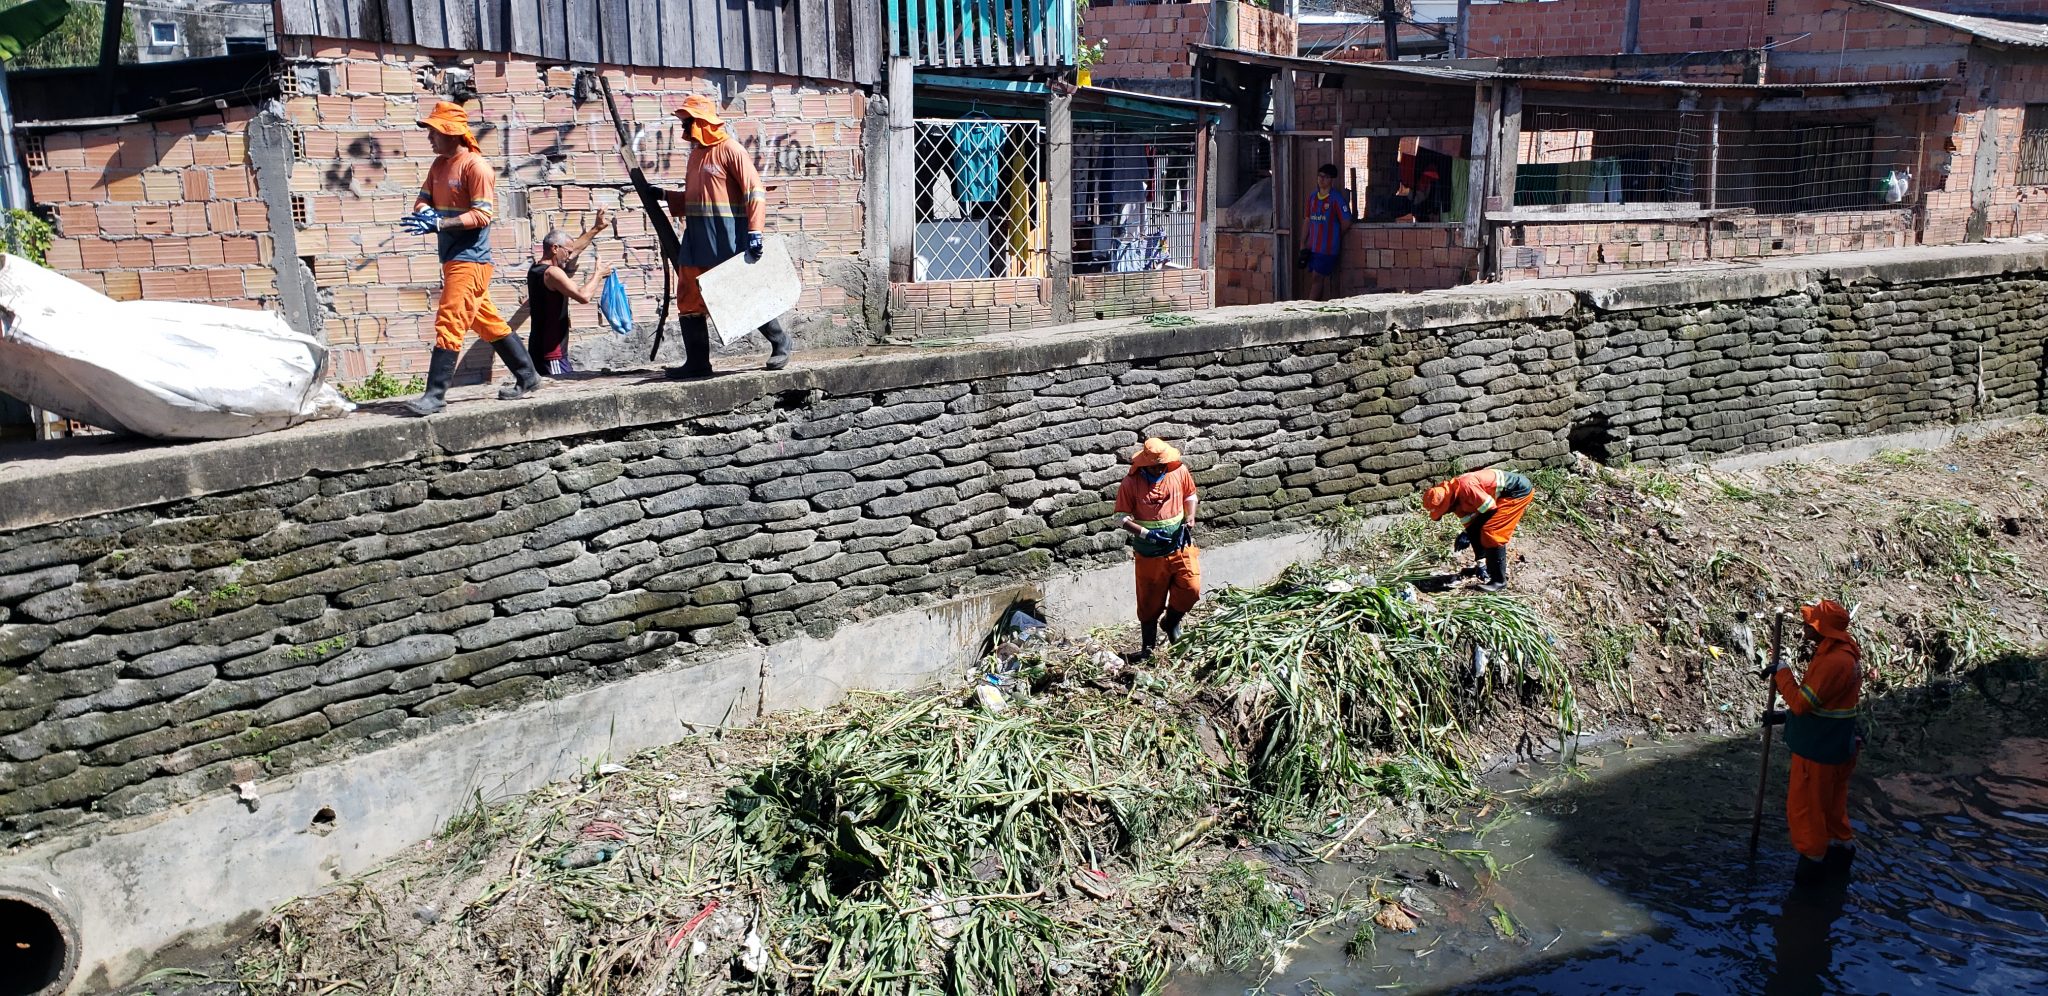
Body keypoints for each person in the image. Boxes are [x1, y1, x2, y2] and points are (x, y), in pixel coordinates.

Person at [397, 100, 541, 416]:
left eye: (434, 131)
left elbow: (482, 215)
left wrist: (440, 223)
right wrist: (425, 213)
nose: (429, 137)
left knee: (450, 319)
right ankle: (528, 376)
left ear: (452, 132)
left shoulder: (476, 167)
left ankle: (435, 395)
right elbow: (422, 199)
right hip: (452, 257)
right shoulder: (438, 166)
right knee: (486, 321)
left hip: (471, 259)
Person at [653, 94, 794, 378]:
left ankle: (781, 342)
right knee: (688, 297)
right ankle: (698, 363)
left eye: (688, 122)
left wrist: (755, 231)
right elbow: (696, 198)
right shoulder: (696, 156)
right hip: (696, 238)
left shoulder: (731, 150)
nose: (684, 129)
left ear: (702, 122)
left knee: (741, 293)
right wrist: (666, 196)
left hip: (726, 237)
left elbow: (755, 191)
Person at [1765, 600, 1862, 886]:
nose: (1805, 628)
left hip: (1818, 752)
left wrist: (1782, 672)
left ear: (1824, 631)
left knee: (1806, 810)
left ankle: (1809, 878)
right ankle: (1837, 868)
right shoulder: (1843, 654)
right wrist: (1781, 718)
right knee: (1832, 810)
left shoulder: (1834, 661)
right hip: (1836, 746)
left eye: (1811, 624)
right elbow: (1827, 706)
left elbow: (1802, 704)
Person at [1114, 438, 1201, 658]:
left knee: (1191, 588)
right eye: (1156, 466)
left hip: (1180, 545)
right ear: (1145, 465)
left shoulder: (1178, 472)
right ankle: (1148, 650)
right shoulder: (1130, 484)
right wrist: (1146, 534)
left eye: (1163, 465)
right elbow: (1121, 518)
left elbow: (1191, 495)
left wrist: (1190, 517)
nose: (1161, 469)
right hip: (1150, 553)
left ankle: (1171, 622)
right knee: (1149, 601)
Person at [525, 209, 611, 377]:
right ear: (555, 248)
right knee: (560, 388)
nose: (570, 256)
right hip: (552, 353)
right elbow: (584, 296)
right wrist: (598, 274)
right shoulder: (552, 273)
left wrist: (596, 228)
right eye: (568, 252)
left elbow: (575, 248)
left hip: (539, 347)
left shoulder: (536, 269)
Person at [1421, 467, 1535, 592]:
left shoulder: (1466, 487)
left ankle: (1499, 581)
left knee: (1492, 532)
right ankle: (1487, 567)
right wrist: (1480, 563)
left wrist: (1466, 534)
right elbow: (1473, 530)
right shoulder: (1456, 503)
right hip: (1500, 497)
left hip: (1517, 492)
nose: (1445, 513)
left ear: (1447, 504)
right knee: (1481, 530)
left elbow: (1490, 510)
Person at [1296, 163, 1349, 301]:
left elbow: (1346, 222)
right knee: (1315, 278)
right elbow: (1307, 220)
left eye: (1325, 177)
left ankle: (1309, 307)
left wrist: (1335, 237)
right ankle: (1317, 307)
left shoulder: (1336, 199)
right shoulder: (1312, 197)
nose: (1321, 179)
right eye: (1319, 176)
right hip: (1312, 246)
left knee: (1317, 277)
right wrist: (1303, 242)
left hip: (1327, 249)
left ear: (1331, 179)